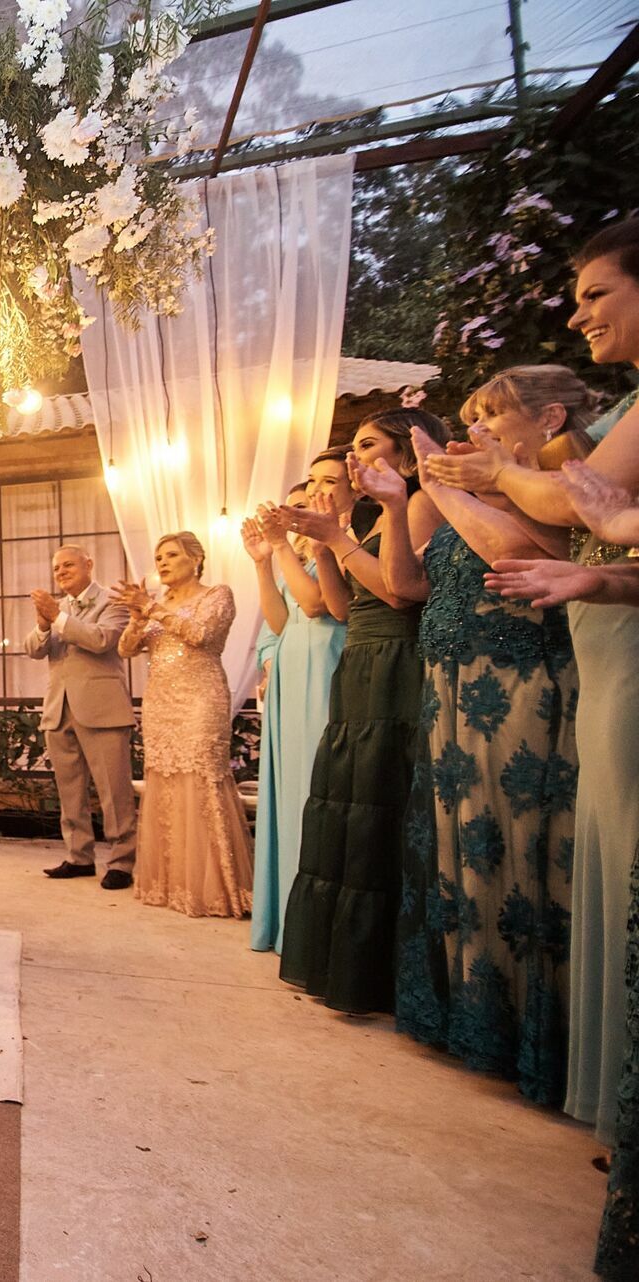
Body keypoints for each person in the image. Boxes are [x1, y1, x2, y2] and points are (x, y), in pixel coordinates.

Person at [425, 219, 639, 1275]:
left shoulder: (601, 437)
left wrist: (469, 488)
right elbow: (596, 531)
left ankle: (570, 1065)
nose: (582, 309)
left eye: (599, 291)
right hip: (568, 642)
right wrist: (597, 572)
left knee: (566, 864)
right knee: (564, 866)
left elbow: (561, 517)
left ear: (550, 414)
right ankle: (583, 1080)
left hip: (559, 670)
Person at [360, 388, 577, 1105]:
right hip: (450, 681)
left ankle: (527, 1031)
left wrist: (437, 483)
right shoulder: (462, 491)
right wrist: (397, 507)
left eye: (492, 414)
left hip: (517, 677)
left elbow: (512, 551)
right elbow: (406, 582)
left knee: (517, 850)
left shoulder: (553, 483)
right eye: (473, 415)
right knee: (462, 851)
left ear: (549, 420)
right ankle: (467, 1013)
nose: (476, 427)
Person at [276, 409, 449, 1014]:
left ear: (407, 455)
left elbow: (401, 591)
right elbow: (344, 607)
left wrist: (340, 538)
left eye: (367, 445)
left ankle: (374, 973)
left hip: (397, 663)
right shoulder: (374, 520)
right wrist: (328, 540)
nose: (354, 458)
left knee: (378, 806)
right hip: (361, 658)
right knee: (346, 808)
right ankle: (339, 965)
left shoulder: (422, 502)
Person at [112, 533, 252, 917]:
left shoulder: (217, 595)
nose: (163, 562)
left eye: (172, 555)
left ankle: (217, 887)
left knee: (203, 778)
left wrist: (152, 610)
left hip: (201, 698)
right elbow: (126, 650)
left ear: (196, 559)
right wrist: (140, 617)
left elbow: (201, 635)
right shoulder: (158, 604)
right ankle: (173, 884)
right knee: (167, 781)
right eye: (158, 556)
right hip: (160, 702)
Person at [243, 452, 350, 952]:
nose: (289, 516)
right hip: (292, 671)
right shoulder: (295, 559)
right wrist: (265, 563)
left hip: (328, 666)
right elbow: (280, 622)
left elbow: (314, 605)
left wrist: (282, 545)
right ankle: (288, 918)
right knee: (289, 795)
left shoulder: (334, 552)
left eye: (300, 505)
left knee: (315, 791)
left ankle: (313, 928)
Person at [23, 544, 138, 890]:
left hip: (102, 709)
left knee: (113, 792)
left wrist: (57, 617)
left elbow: (102, 639)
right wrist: (44, 624)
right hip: (60, 708)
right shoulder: (59, 609)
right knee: (69, 791)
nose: (61, 572)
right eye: (56, 568)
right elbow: (33, 649)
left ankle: (122, 861)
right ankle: (79, 857)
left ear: (89, 563)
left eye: (68, 564)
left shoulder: (113, 601)